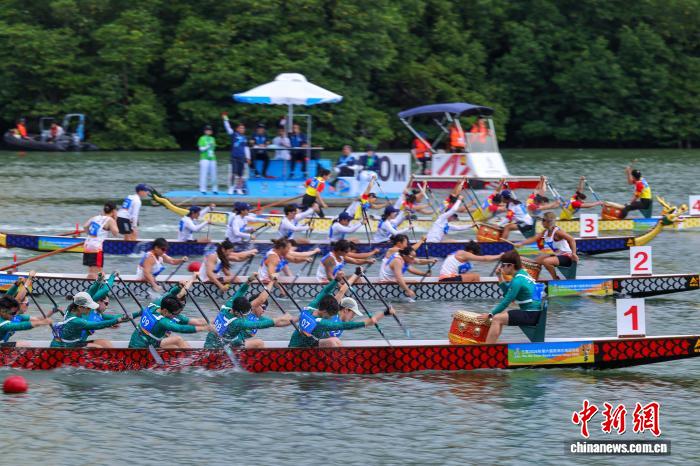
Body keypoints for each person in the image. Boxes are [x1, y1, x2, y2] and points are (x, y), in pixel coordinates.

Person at [205, 274, 294, 349]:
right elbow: (259, 325)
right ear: (237, 313)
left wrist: (249, 280)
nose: (245, 316)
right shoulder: (237, 322)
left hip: (209, 344)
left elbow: (240, 292)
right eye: (244, 314)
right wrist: (281, 318)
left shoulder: (227, 305)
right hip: (218, 350)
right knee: (259, 342)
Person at [479, 250, 542, 343]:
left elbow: (506, 301)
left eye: (503, 265)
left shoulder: (517, 280)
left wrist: (489, 315)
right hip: (534, 313)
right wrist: (500, 276)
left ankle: (487, 347)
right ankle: (492, 343)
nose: (501, 267)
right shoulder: (523, 273)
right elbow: (508, 292)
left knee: (496, 318)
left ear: (511, 265)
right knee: (499, 315)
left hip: (530, 315)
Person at [289, 294, 389, 348]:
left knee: (335, 341)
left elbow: (370, 321)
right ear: (346, 310)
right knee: (334, 341)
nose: (353, 316)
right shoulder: (330, 317)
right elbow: (339, 294)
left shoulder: (336, 317)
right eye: (353, 313)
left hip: (313, 343)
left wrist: (384, 313)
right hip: (301, 347)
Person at [128, 296, 213, 349]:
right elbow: (180, 328)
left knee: (177, 346)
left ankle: (187, 359)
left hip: (144, 340)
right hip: (142, 347)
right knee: (178, 339)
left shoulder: (152, 306)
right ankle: (192, 362)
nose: (175, 316)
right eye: (174, 314)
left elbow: (172, 293)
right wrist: (205, 328)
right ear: (165, 311)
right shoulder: (162, 321)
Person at [516, 212, 579, 279]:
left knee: (546, 261)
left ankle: (555, 279)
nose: (541, 222)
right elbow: (534, 239)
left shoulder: (557, 232)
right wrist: (521, 243)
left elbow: (571, 240)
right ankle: (535, 277)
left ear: (548, 221)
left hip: (567, 256)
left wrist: (574, 253)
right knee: (538, 260)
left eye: (543, 220)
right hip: (557, 254)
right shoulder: (545, 232)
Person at [50, 292, 124, 348]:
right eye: (89, 308)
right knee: (96, 347)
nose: (90, 309)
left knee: (105, 343)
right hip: (62, 347)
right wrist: (118, 320)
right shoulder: (76, 321)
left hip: (74, 343)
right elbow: (97, 325)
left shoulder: (73, 309)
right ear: (80, 307)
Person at [83, 202, 121, 280]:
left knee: (92, 271)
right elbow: (116, 233)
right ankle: (96, 286)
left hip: (87, 245)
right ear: (114, 211)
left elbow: (85, 226)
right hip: (96, 248)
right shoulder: (110, 220)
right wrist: (115, 219)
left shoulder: (95, 217)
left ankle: (92, 285)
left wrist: (90, 234)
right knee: (97, 272)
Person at [222, 113, 248, 194]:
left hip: (242, 157)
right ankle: (231, 187)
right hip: (234, 157)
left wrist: (247, 157)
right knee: (234, 172)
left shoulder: (245, 137)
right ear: (237, 129)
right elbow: (228, 127)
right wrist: (225, 119)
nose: (242, 129)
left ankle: (239, 188)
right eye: (241, 128)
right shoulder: (234, 134)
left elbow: (245, 148)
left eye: (243, 128)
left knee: (241, 174)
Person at [197, 124, 218, 194]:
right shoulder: (202, 138)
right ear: (205, 131)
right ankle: (203, 189)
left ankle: (214, 189)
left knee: (214, 174)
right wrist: (207, 146)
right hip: (204, 158)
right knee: (204, 174)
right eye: (207, 130)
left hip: (212, 158)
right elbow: (201, 149)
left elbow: (214, 148)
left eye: (210, 130)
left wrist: (211, 146)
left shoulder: (213, 139)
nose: (209, 131)